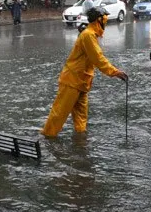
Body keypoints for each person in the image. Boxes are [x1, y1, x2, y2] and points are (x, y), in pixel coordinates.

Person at [41, 7, 128, 137]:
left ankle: (80, 140)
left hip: (82, 83)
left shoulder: (91, 35)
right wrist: (115, 72)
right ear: (99, 20)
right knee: (59, 113)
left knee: (81, 116)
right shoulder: (88, 35)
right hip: (72, 81)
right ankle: (47, 137)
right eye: (104, 19)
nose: (106, 22)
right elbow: (98, 58)